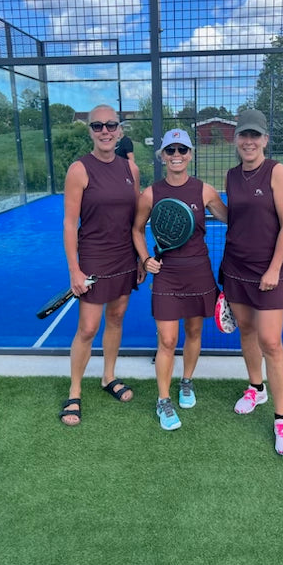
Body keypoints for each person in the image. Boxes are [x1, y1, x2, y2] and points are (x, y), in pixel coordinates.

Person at [132, 129, 227, 431]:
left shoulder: (205, 191)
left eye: (181, 150)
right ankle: (163, 400)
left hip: (200, 272)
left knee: (195, 331)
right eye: (170, 151)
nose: (176, 156)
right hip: (167, 276)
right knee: (168, 339)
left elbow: (233, 218)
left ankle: (186, 382)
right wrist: (146, 258)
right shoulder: (150, 193)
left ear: (190, 154)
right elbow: (136, 229)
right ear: (162, 156)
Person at [59, 104, 145, 426]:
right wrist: (75, 269)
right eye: (98, 126)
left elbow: (136, 219)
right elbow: (69, 224)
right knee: (88, 328)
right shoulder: (79, 170)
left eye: (111, 125)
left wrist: (139, 256)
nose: (105, 131)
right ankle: (75, 390)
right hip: (94, 258)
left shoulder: (131, 170)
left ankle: (108, 377)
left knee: (117, 317)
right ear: (90, 131)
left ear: (120, 130)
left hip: (125, 256)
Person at [219, 109, 283, 456]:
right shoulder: (231, 176)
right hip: (234, 266)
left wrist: (273, 268)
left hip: (268, 272)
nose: (248, 142)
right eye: (243, 136)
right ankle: (256, 388)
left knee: (271, 341)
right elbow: (234, 217)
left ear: (265, 139)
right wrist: (210, 202)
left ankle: (282, 419)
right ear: (236, 139)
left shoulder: (276, 171)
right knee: (247, 333)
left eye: (255, 136)